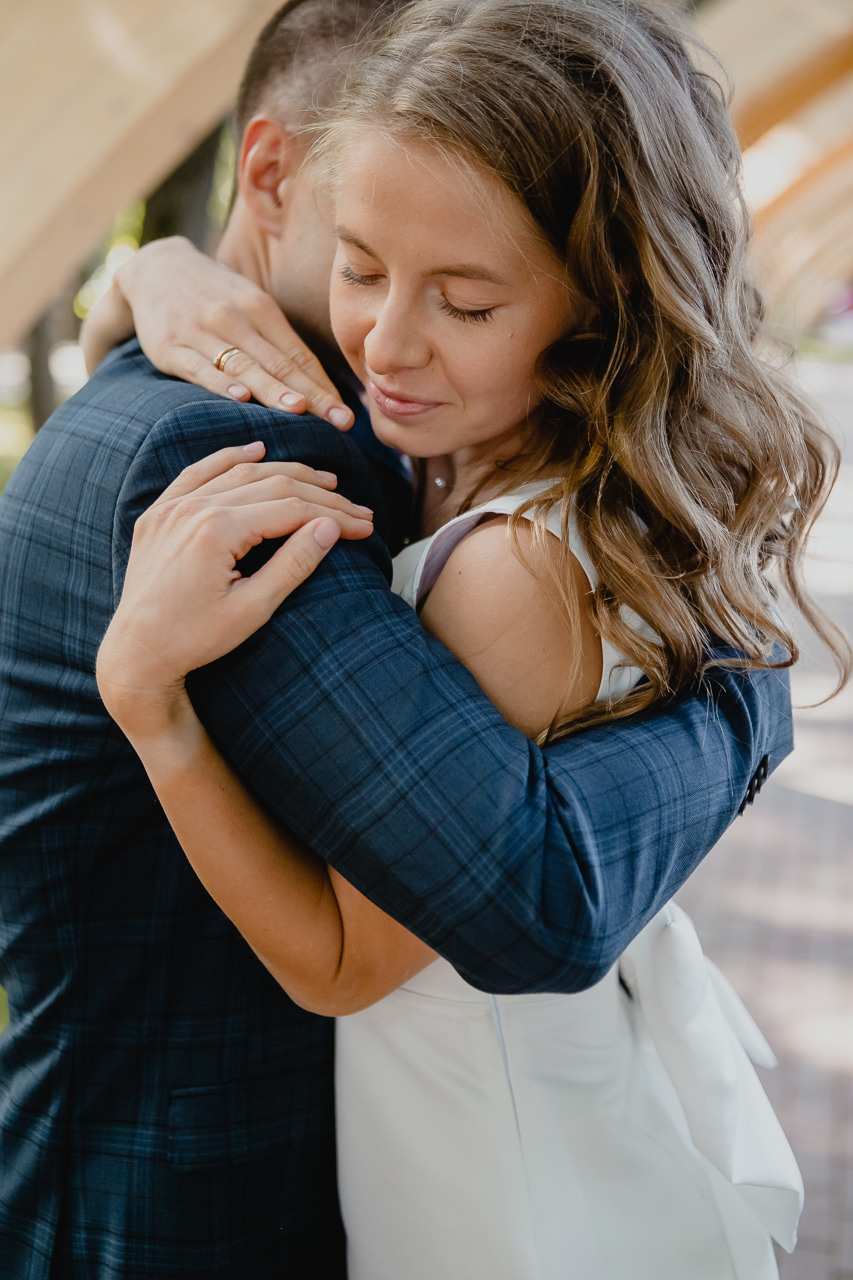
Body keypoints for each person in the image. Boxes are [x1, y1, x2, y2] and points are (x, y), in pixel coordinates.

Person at [0, 0, 809, 1277]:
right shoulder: (273, 446)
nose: (382, 333)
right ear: (280, 176)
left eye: (463, 298)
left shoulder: (462, 506)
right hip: (205, 1203)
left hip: (485, 1164)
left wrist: (747, 697)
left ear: (588, 301)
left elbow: (510, 905)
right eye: (362, 264)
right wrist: (143, 270)